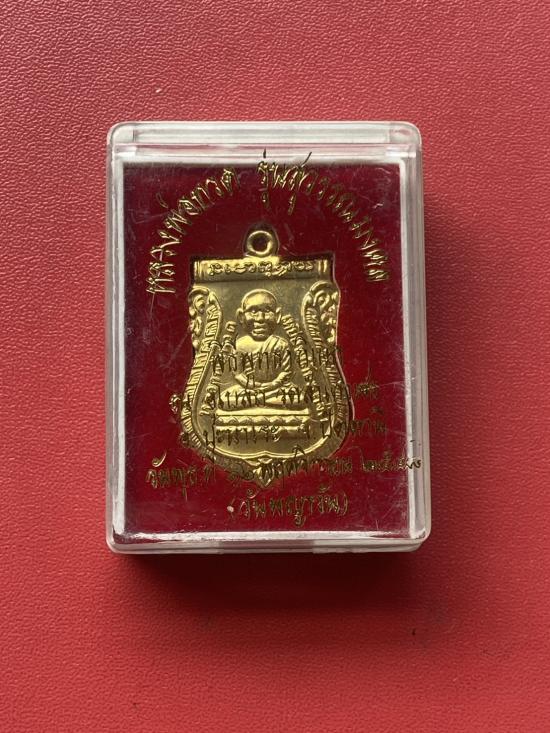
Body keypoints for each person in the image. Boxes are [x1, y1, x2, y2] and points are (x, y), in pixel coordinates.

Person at [218, 289, 303, 411]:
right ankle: (263, 400)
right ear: (241, 317)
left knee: (299, 398)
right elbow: (238, 374)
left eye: (267, 311)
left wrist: (272, 385)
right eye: (253, 311)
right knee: (224, 400)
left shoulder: (281, 344)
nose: (260, 318)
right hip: (248, 389)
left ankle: (257, 400)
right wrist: (255, 386)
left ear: (278, 316)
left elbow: (286, 373)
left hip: (276, 389)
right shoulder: (239, 344)